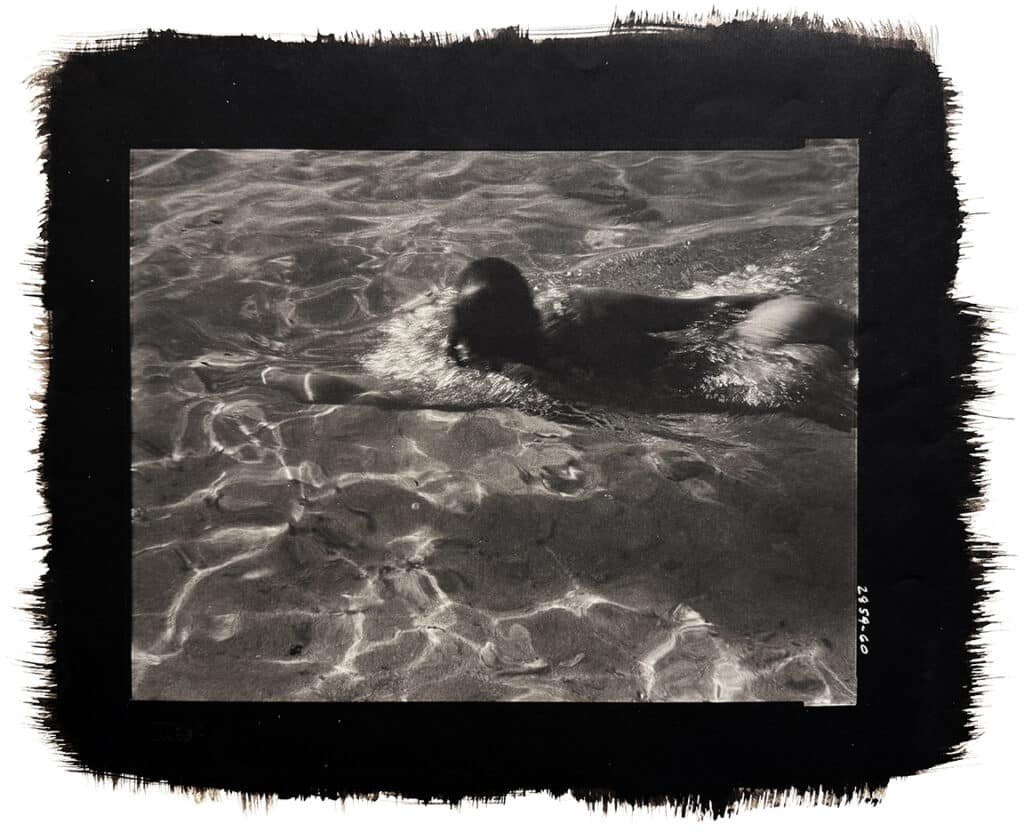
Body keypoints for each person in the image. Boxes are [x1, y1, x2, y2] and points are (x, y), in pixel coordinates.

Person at [262, 256, 853, 407]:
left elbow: (701, 311)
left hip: (745, 351)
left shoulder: (588, 313)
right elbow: (371, 390)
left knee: (806, 350)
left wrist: (270, 376)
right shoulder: (491, 371)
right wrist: (273, 375)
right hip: (728, 357)